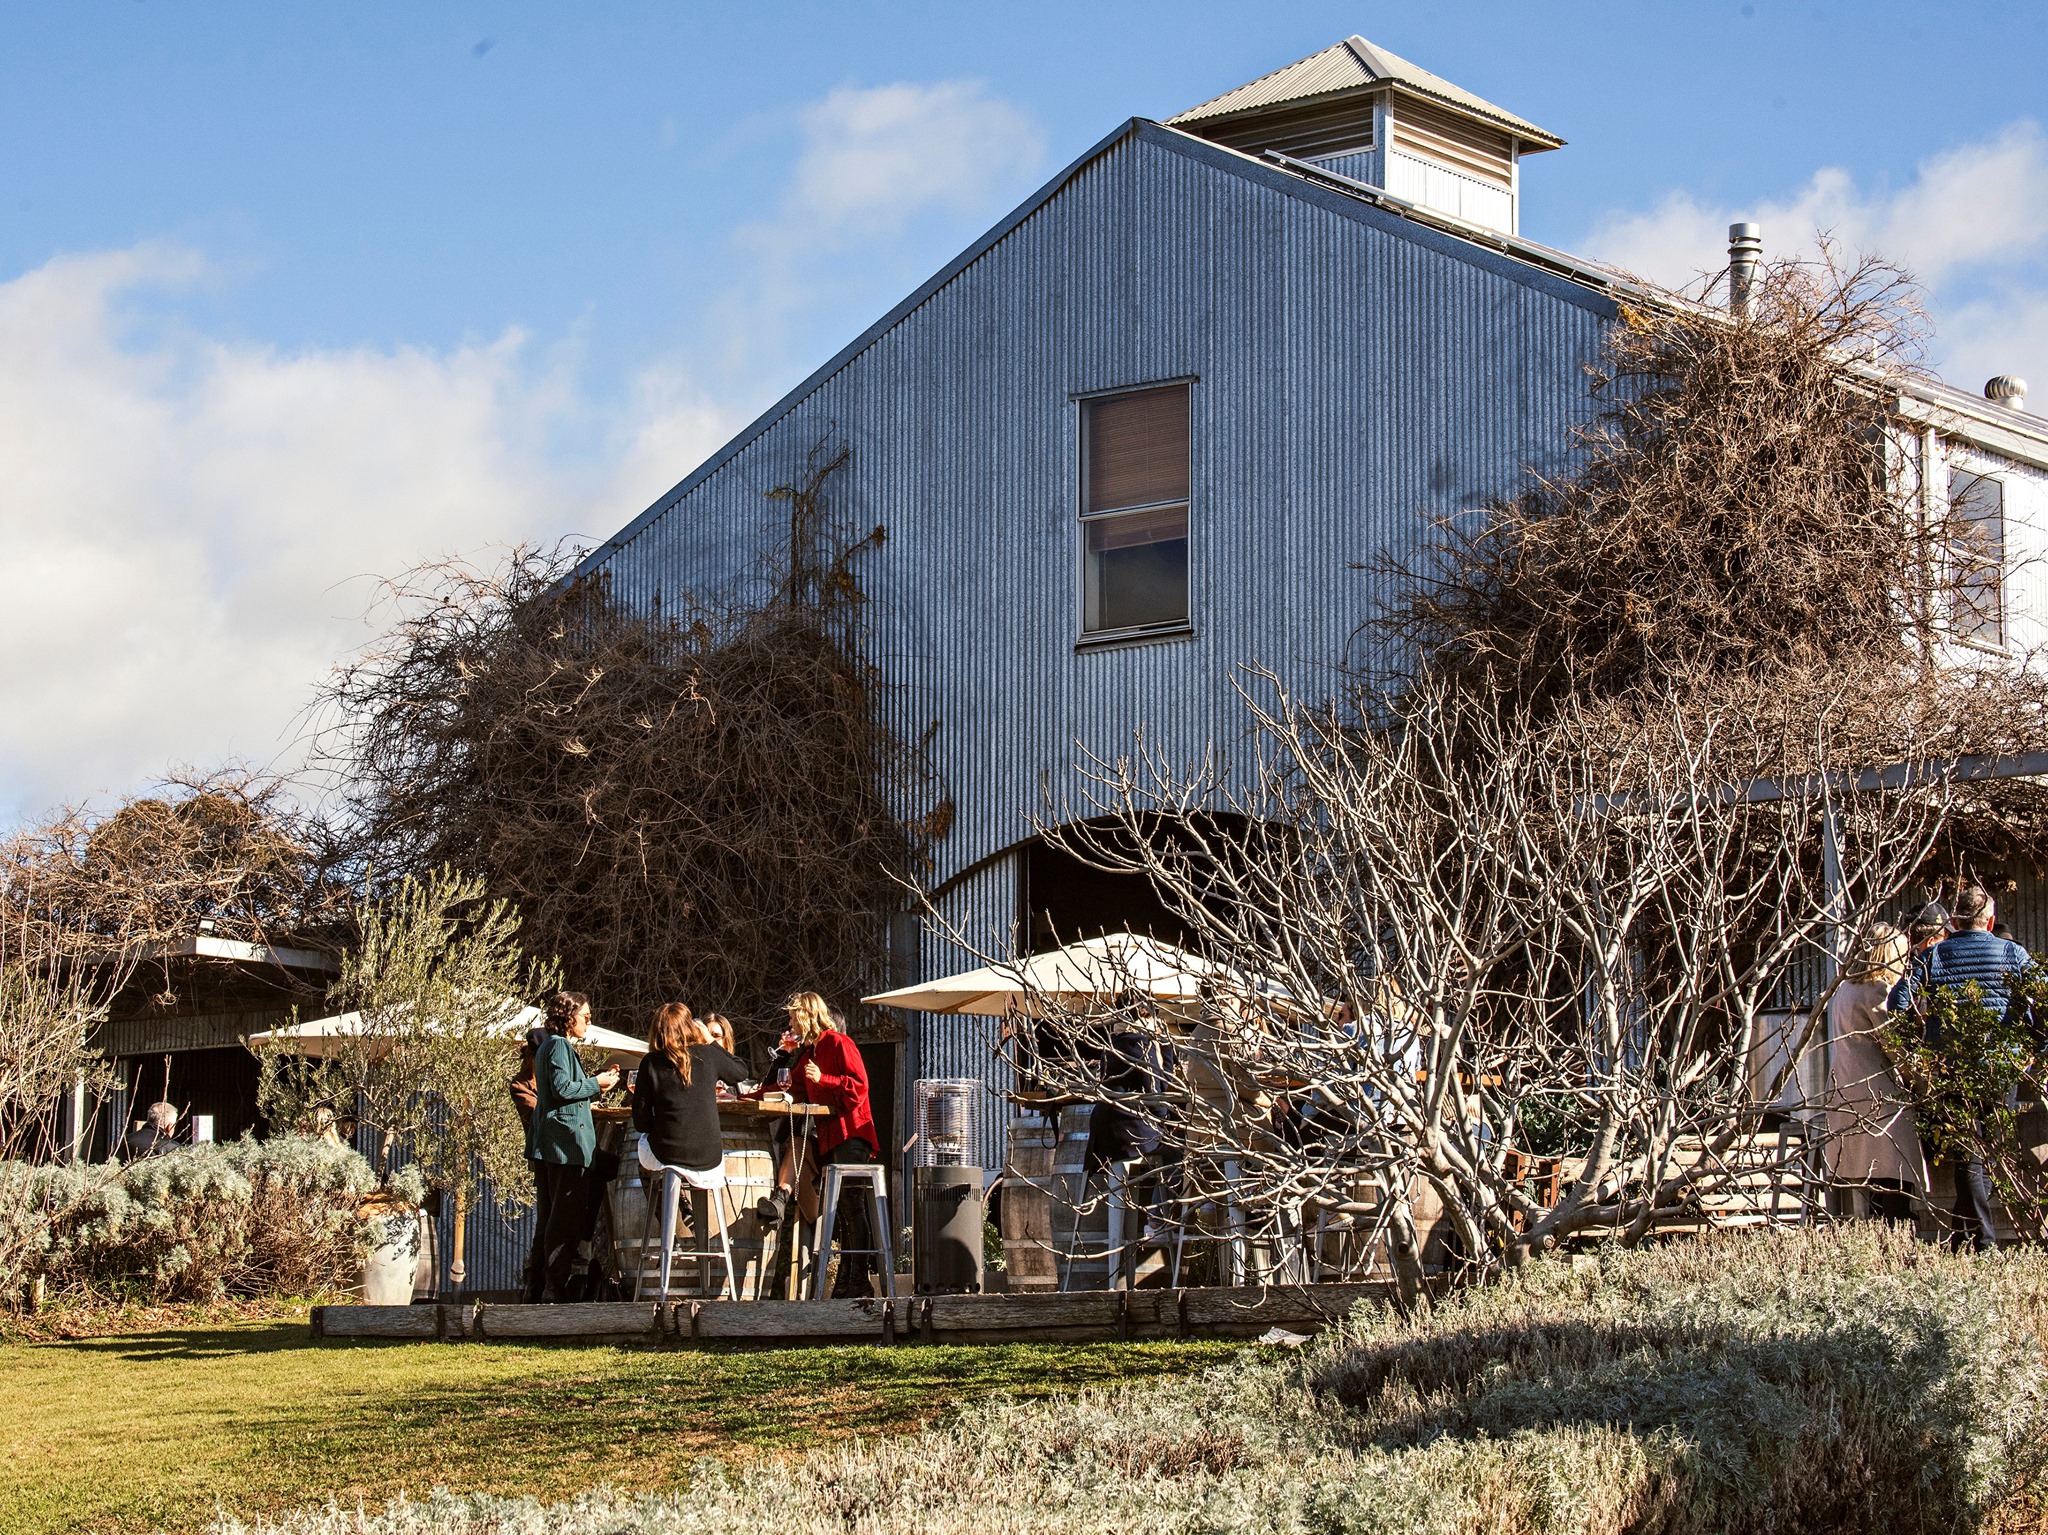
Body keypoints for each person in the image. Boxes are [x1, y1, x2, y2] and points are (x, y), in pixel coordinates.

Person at [1889, 886, 2031, 1251]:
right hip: (2001, 1069)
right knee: (1980, 1156)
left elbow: (1897, 1002)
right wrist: (2034, 1047)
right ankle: (1981, 1242)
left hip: (1950, 1070)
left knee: (1969, 1156)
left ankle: (1965, 1238)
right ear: (1991, 921)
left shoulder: (1934, 955)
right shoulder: (2013, 953)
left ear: (1953, 921)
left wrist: (1919, 1051)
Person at [775, 993, 881, 1297]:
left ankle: (859, 1279)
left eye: (794, 1017)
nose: (791, 1023)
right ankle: (846, 1282)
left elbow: (859, 1088)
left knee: (852, 1206)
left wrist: (825, 1079)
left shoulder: (838, 1043)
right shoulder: (810, 1054)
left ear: (808, 1015)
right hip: (833, 1138)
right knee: (845, 1210)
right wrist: (750, 1095)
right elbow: (789, 1086)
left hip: (853, 1135)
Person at [1827, 923, 1926, 1221]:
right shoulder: (1878, 991)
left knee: (1871, 1182)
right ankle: (1897, 1244)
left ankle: (1882, 1240)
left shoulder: (1843, 989)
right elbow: (1894, 1046)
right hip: (1879, 1094)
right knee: (1892, 1178)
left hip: (1845, 1089)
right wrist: (1921, 1081)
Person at [532, 991, 620, 1300]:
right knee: (562, 1220)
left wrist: (596, 1084)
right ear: (569, 1017)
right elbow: (563, 1089)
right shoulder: (558, 1046)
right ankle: (555, 1287)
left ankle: (537, 1288)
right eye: (585, 1017)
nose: (589, 1022)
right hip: (565, 1145)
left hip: (555, 1143)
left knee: (549, 1218)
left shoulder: (549, 1046)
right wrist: (599, 1083)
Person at [631, 1003, 750, 1171]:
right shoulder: (708, 1054)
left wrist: (662, 1127)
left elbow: (641, 1122)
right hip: (710, 1160)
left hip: (668, 1155)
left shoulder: (650, 1062)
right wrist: (711, 1042)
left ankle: (668, 1196)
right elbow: (740, 1071)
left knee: (644, 1149)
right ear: (690, 1027)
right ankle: (676, 1195)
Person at [509, 1025, 548, 1302]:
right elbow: (537, 1117)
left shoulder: (549, 1079)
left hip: (562, 1153)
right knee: (545, 1219)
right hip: (544, 1156)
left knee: (604, 1167)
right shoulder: (521, 1085)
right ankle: (535, 1284)